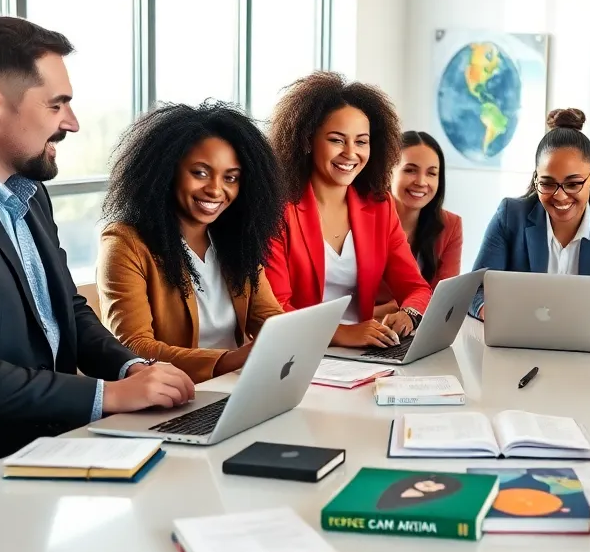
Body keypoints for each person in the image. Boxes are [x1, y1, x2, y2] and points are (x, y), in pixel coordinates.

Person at [0, 15, 194, 489]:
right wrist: (109, 395)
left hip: (48, 443)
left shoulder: (26, 188)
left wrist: (130, 367)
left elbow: (66, 310)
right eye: (57, 105)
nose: (71, 123)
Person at [97, 102, 288, 383]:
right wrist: (232, 359)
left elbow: (268, 317)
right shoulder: (126, 243)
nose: (215, 189)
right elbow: (134, 347)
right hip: (172, 395)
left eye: (231, 178)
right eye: (199, 172)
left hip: (235, 387)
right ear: (167, 171)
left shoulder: (235, 238)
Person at [263, 72, 431, 349]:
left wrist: (408, 315)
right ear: (306, 141)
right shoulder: (279, 210)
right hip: (296, 353)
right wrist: (340, 333)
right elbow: (275, 308)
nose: (351, 153)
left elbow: (415, 287)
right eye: (337, 140)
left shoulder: (380, 206)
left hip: (364, 352)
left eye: (361, 141)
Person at [470, 108, 590, 335]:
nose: (560, 196)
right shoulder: (510, 215)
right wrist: (489, 310)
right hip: (519, 341)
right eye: (548, 183)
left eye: (573, 184)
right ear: (536, 179)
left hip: (588, 347)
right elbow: (475, 290)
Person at [372, 131, 463, 318]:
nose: (421, 182)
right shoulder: (364, 219)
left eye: (431, 173)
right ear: (389, 172)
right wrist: (390, 309)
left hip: (414, 329)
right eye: (410, 170)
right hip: (360, 329)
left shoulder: (450, 225)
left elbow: (444, 299)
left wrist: (406, 310)